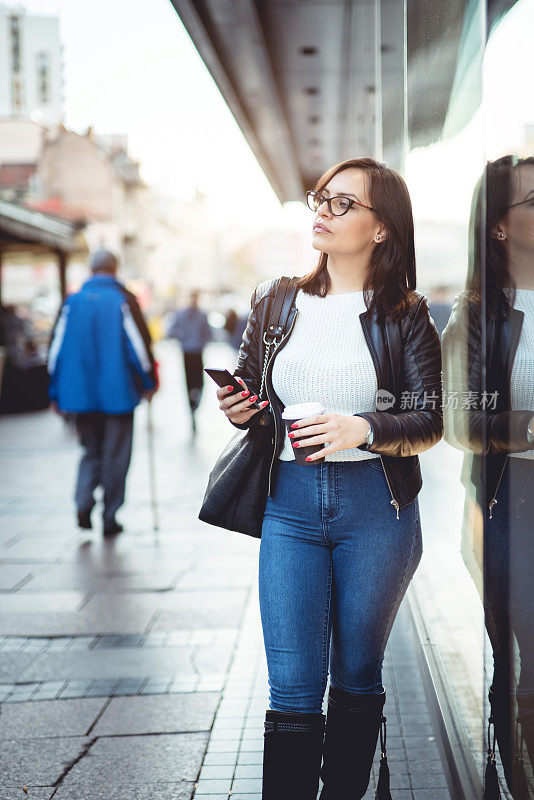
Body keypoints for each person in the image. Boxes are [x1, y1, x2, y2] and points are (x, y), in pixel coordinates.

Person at [215, 157, 443, 800]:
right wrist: (242, 410)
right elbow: (254, 396)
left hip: (378, 509)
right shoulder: (275, 300)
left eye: (345, 203)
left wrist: (364, 428)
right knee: (291, 687)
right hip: (287, 506)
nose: (323, 209)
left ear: (381, 228)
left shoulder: (405, 312)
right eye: (322, 197)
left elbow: (432, 416)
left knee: (357, 675)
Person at [442, 156, 534, 798]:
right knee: (525, 659)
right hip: (515, 502)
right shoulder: (476, 313)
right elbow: (458, 419)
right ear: (499, 227)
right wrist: (529, 429)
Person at [47, 249, 157, 537]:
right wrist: (149, 382)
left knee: (89, 451)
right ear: (115, 268)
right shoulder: (123, 299)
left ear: (90, 269)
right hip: (118, 394)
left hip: (79, 396)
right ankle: (110, 516)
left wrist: (55, 391)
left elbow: (55, 350)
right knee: (116, 455)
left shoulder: (72, 301)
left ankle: (83, 502)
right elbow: (138, 347)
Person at [167, 289, 212, 433]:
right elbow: (171, 331)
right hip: (187, 353)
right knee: (189, 382)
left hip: (198, 353)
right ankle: (191, 408)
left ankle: (195, 402)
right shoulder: (180, 315)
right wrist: (182, 336)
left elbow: (208, 333)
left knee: (199, 382)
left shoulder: (202, 315)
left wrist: (202, 342)